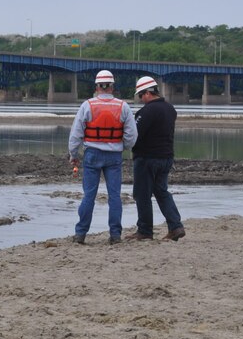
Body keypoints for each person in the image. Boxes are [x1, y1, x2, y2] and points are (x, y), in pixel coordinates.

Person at [68, 69, 138, 245]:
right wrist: (124, 147)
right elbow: (131, 135)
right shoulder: (123, 106)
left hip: (92, 153)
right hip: (114, 155)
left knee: (88, 196)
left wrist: (73, 154)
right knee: (114, 196)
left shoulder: (87, 105)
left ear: (97, 86)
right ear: (112, 87)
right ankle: (115, 235)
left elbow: (76, 134)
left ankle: (80, 234)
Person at [124, 76, 185, 241]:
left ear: (147, 93)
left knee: (142, 194)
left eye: (140, 95)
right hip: (166, 157)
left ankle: (144, 231)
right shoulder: (170, 109)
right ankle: (176, 226)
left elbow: (135, 135)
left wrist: (124, 145)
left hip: (147, 158)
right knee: (162, 192)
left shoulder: (147, 111)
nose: (141, 99)